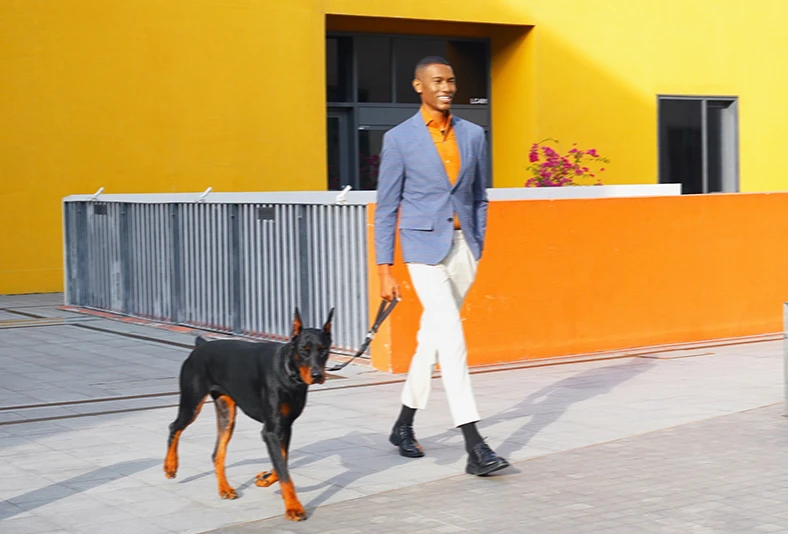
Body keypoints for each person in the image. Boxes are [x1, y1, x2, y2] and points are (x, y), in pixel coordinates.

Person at [374, 56, 509, 476]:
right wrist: (384, 269)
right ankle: (475, 445)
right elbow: (386, 208)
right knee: (451, 337)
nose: (446, 87)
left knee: (432, 338)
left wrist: (477, 244)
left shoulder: (472, 134)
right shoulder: (399, 139)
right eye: (437, 81)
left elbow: (479, 195)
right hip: (421, 249)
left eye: (451, 80)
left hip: (463, 248)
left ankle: (403, 424)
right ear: (419, 86)